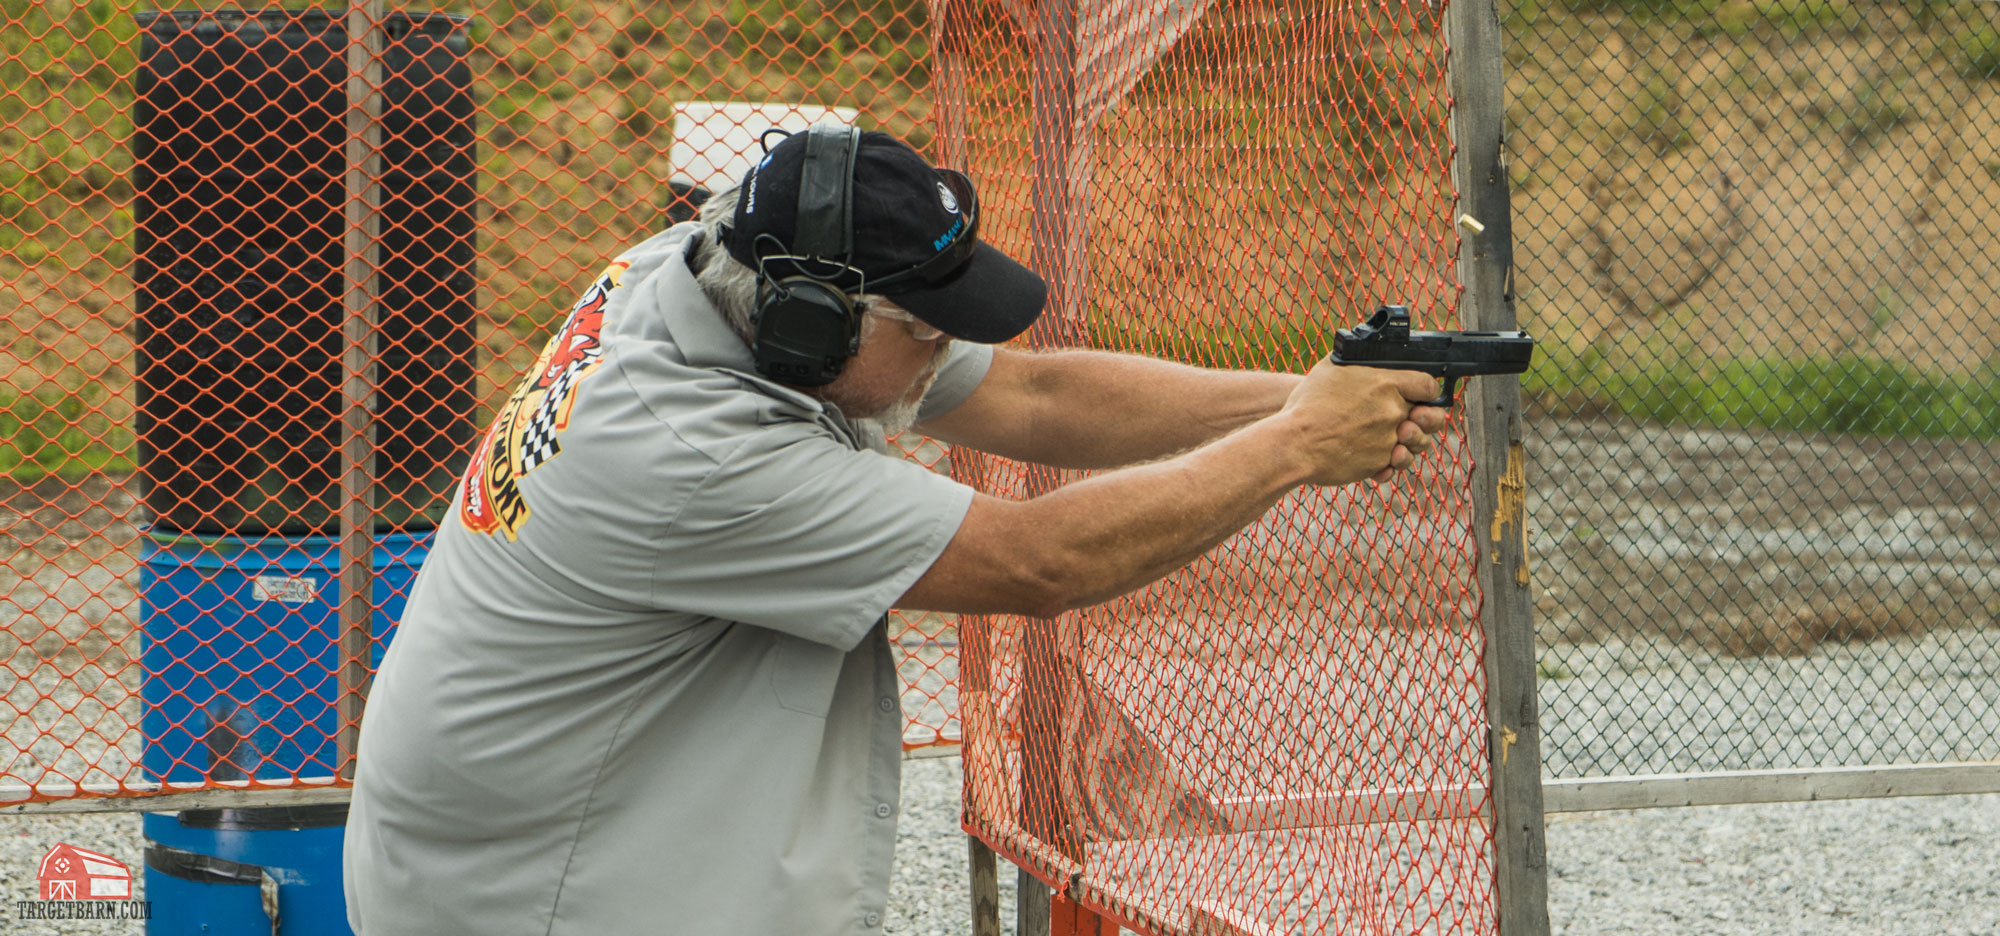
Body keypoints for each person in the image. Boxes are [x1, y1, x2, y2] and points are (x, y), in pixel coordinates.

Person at [343, 125, 1447, 935]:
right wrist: (1296, 449)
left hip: (534, 830)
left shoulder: (680, 275)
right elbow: (1041, 559)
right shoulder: (689, 453)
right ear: (806, 318)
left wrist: (1302, 397)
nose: (939, 353)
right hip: (534, 893)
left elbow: (1036, 395)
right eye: (922, 329)